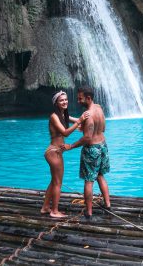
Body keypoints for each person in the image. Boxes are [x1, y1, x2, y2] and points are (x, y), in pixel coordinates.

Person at [62, 86, 111, 219]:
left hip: (92, 150)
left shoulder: (89, 116)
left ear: (88, 98)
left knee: (89, 181)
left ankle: (88, 211)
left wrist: (71, 146)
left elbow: (87, 137)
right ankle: (107, 204)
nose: (78, 101)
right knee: (100, 175)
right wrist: (71, 119)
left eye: (80, 99)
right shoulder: (99, 108)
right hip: (103, 146)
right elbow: (103, 128)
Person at [41, 90, 89, 218]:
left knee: (54, 181)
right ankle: (54, 211)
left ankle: (46, 207)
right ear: (56, 103)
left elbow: (78, 120)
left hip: (57, 151)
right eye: (61, 100)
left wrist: (82, 122)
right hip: (53, 152)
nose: (64, 102)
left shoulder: (63, 115)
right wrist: (79, 123)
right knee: (58, 183)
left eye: (66, 99)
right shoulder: (54, 116)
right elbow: (65, 132)